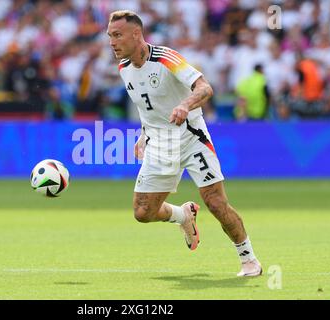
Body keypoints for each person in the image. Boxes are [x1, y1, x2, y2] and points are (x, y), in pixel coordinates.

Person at [107, 10, 262, 277]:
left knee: (215, 202)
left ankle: (249, 259)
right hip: (160, 143)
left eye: (117, 35)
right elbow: (149, 106)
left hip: (191, 137)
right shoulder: (124, 68)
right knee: (143, 212)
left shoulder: (167, 59)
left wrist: (184, 105)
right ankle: (183, 216)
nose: (112, 42)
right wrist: (143, 134)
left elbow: (204, 88)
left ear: (136, 34)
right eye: (110, 35)